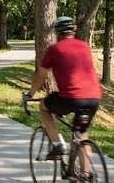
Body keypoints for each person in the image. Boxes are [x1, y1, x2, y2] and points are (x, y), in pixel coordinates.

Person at [26, 17, 102, 169]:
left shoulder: (55, 49)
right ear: (73, 30)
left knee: (43, 107)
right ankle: (85, 178)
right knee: (81, 134)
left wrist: (30, 94)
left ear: (57, 33)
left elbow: (41, 75)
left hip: (71, 98)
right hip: (94, 97)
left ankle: (57, 144)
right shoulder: (85, 46)